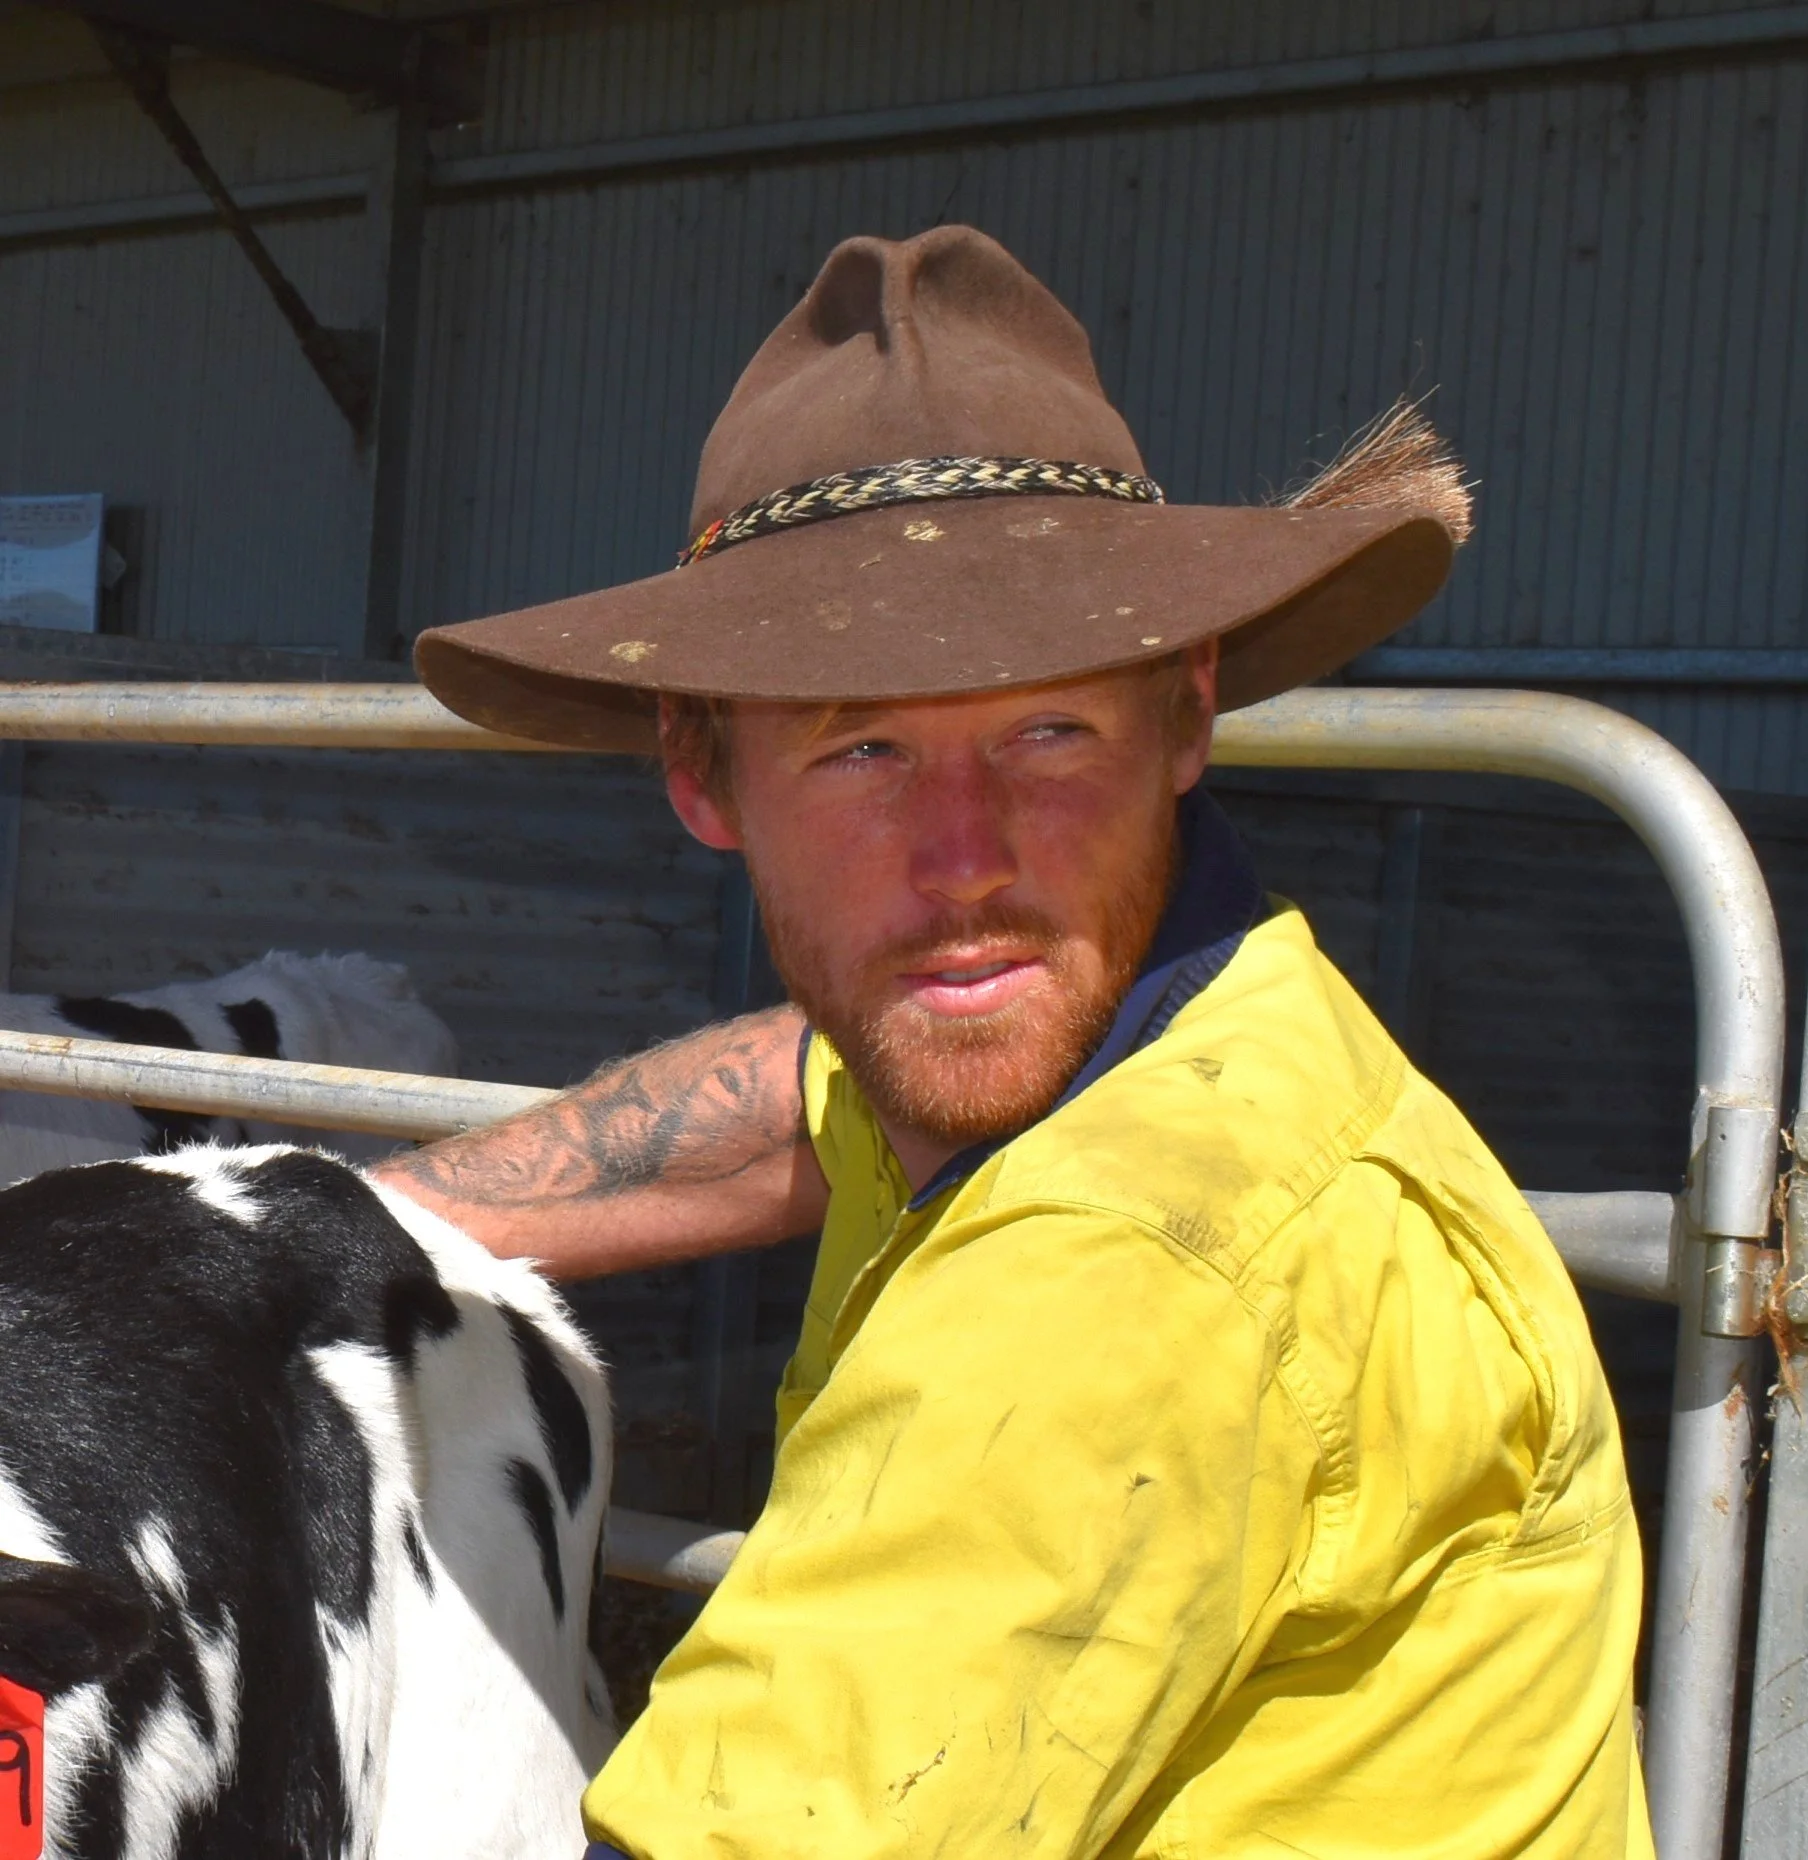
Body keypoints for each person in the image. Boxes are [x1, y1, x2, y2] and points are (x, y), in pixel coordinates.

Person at [385, 224, 1654, 1858]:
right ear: (704, 780)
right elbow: (799, 1087)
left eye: (1049, 729)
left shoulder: (1121, 1269)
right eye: (862, 752)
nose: (966, 855)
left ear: (1184, 716)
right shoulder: (1157, 1029)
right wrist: (344, 1215)